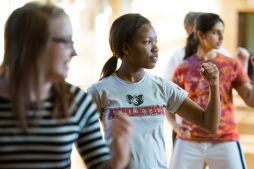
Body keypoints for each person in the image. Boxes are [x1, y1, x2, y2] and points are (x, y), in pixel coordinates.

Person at [0, 2, 132, 169]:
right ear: (34, 45)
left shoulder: (77, 101)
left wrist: (118, 160)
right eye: (65, 42)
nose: (74, 52)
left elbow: (99, 165)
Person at [88, 13, 221, 169]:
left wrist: (214, 84)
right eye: (147, 42)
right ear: (126, 48)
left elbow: (209, 123)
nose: (156, 48)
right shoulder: (99, 91)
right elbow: (82, 141)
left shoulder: (162, 88)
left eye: (155, 41)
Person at [168, 13, 254, 169]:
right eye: (215, 32)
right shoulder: (183, 68)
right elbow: (168, 103)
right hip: (189, 140)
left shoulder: (230, 64)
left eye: (222, 32)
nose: (221, 36)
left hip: (224, 139)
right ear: (200, 35)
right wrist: (175, 126)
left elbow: (252, 101)